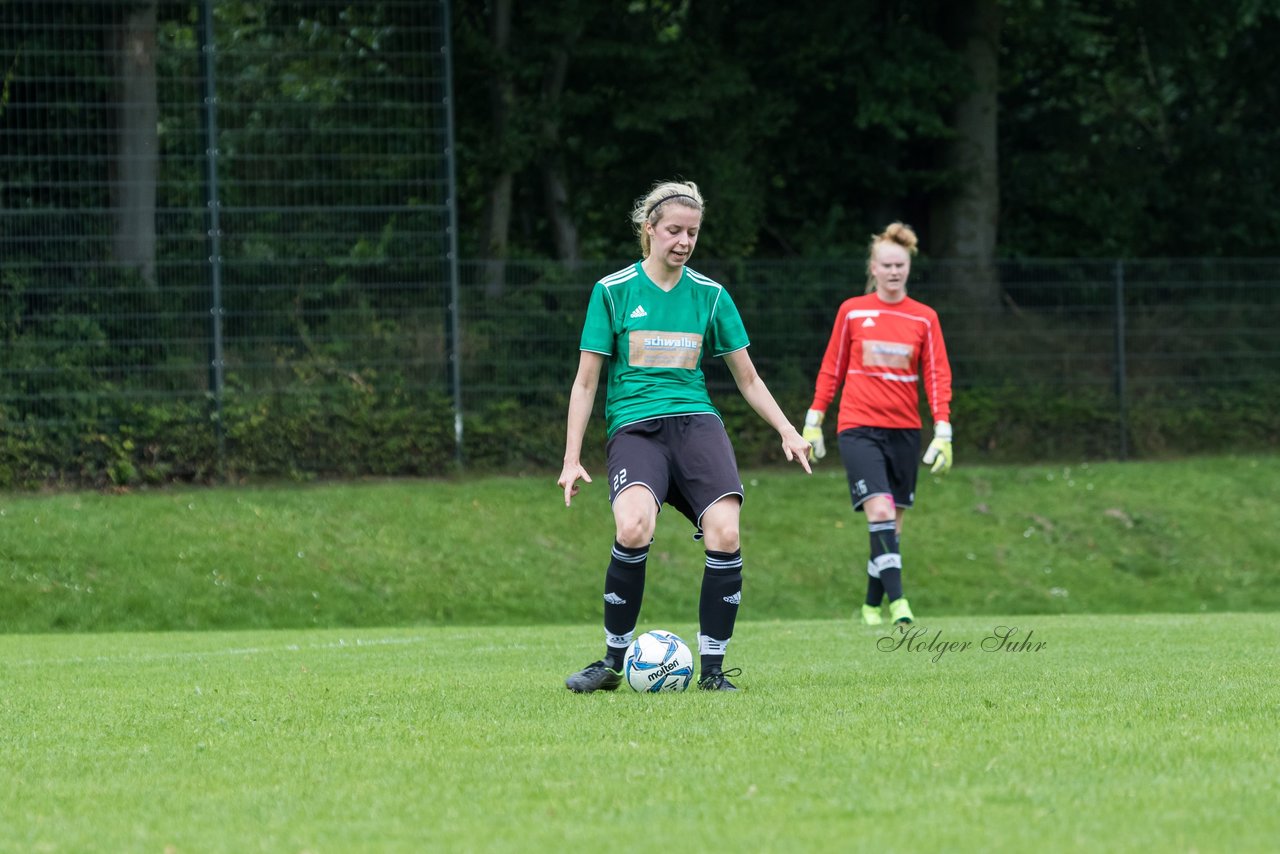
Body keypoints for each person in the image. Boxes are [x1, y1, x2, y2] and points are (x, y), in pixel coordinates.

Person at [558, 179, 812, 693]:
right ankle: (611, 662)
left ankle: (714, 671)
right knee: (632, 528)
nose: (684, 241)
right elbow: (586, 382)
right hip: (636, 427)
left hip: (697, 424)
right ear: (648, 229)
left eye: (692, 232)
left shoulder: (711, 296)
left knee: (726, 532)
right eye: (673, 230)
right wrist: (571, 457)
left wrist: (788, 429)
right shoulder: (613, 291)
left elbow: (748, 378)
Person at [802, 222, 953, 627]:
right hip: (858, 428)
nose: (893, 271)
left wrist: (943, 430)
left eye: (899, 264)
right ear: (873, 266)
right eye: (885, 264)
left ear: (908, 266)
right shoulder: (853, 311)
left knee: (892, 524)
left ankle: (871, 605)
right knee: (881, 510)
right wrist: (814, 420)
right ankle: (900, 604)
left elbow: (937, 376)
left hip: (904, 431)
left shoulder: (924, 318)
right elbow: (831, 369)